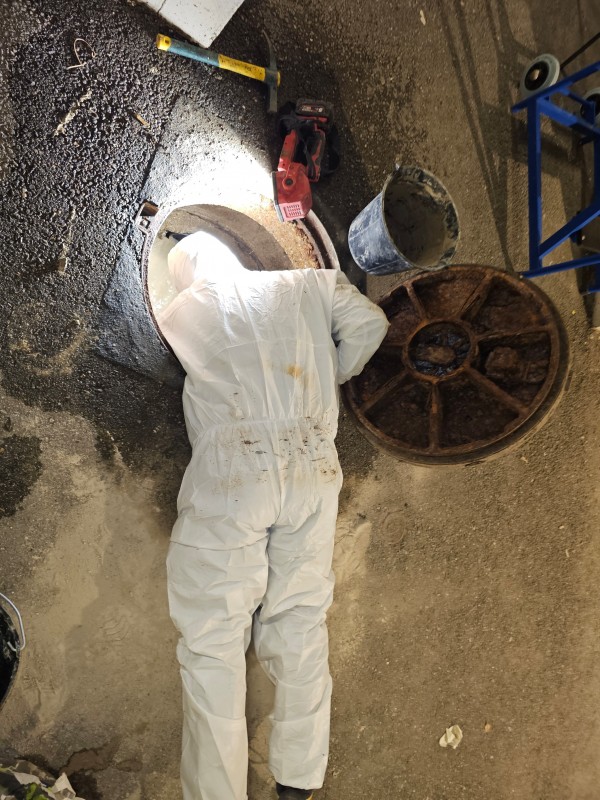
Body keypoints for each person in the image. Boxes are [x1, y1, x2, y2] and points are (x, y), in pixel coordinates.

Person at [159, 231, 389, 800]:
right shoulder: (313, 283)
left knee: (213, 635)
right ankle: (299, 778)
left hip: (235, 471)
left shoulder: (185, 309)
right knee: (301, 615)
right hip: (313, 456)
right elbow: (371, 327)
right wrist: (323, 376)